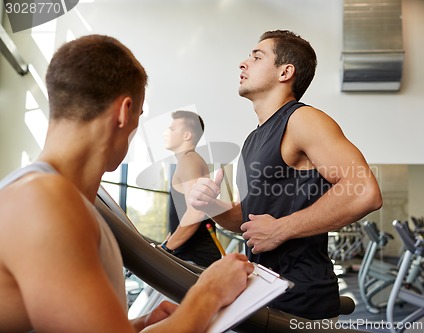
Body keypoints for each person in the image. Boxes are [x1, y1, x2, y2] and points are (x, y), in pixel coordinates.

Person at [0, 34, 254, 333]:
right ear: (124, 112)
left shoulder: (47, 195)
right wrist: (210, 292)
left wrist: (138, 325)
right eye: (140, 116)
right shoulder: (45, 202)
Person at [188, 30, 383, 320]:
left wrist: (280, 229)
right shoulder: (253, 139)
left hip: (301, 296)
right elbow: (249, 221)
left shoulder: (302, 120)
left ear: (285, 72)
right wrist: (210, 206)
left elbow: (364, 192)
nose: (243, 63)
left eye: (257, 57)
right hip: (262, 290)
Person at [160, 110, 221, 267]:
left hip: (196, 259)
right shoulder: (189, 161)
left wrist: (166, 249)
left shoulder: (188, 161)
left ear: (187, 135)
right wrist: (167, 242)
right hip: (190, 256)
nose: (165, 133)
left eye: (172, 129)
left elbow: (196, 211)